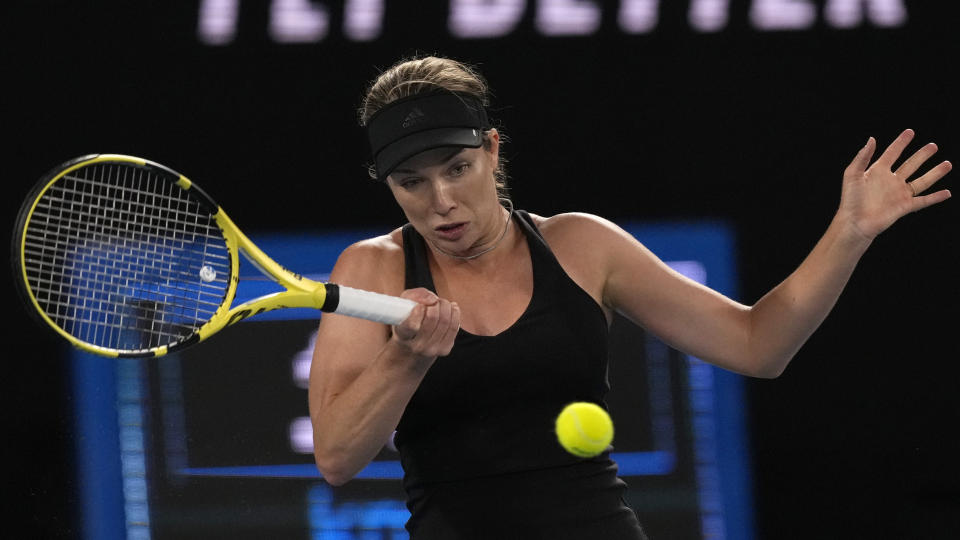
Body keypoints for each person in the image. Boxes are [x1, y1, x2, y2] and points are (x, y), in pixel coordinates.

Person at [308, 56, 951, 539]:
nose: (442, 201)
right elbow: (337, 458)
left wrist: (850, 233)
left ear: (492, 149)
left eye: (457, 168)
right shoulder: (371, 268)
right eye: (411, 181)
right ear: (387, 184)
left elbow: (760, 345)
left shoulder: (585, 246)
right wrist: (407, 358)